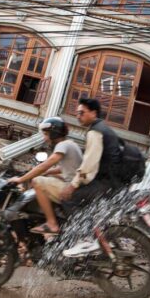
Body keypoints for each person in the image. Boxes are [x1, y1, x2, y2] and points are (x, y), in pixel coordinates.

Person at [61, 97, 123, 257]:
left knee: (68, 198)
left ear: (93, 113)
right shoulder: (102, 128)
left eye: (82, 113)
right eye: (77, 113)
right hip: (112, 182)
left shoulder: (95, 131)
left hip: (105, 183)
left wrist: (73, 185)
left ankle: (84, 239)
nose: (78, 116)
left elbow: (89, 165)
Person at [8, 117, 82, 235]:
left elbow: (46, 164)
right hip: (77, 188)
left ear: (54, 133)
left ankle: (51, 224)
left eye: (46, 134)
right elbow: (65, 168)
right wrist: (47, 172)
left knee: (37, 181)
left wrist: (20, 179)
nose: (44, 138)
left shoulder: (61, 145)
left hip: (71, 190)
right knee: (46, 178)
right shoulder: (71, 144)